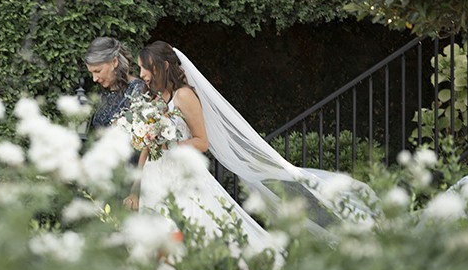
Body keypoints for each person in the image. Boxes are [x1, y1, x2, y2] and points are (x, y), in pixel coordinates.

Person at [124, 41, 373, 248]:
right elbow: (147, 145)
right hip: (155, 177)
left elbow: (202, 142)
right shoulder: (155, 99)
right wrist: (136, 186)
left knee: (194, 230)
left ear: (163, 66)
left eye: (145, 68)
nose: (142, 74)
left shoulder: (184, 96)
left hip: (183, 177)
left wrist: (172, 145)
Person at [83, 36, 146, 131]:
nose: (94, 79)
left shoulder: (138, 90)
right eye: (91, 73)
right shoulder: (102, 93)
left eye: (98, 71)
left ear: (114, 62)